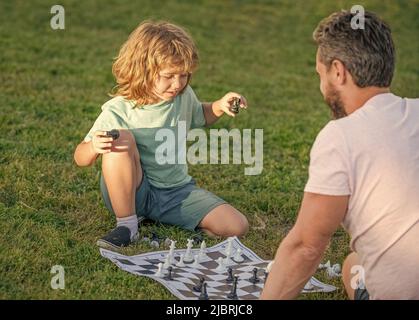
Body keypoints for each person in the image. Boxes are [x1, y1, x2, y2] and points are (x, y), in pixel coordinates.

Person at [261, 10, 419, 300]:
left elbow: (306, 247)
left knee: (353, 265)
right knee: (353, 261)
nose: (322, 87)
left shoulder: (341, 136)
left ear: (338, 71)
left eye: (320, 76)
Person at [74, 21, 249, 250]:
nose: (177, 84)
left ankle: (159, 217)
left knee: (237, 226)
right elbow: (80, 157)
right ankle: (127, 225)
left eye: (184, 75)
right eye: (169, 76)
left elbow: (200, 115)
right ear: (143, 70)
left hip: (176, 191)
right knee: (121, 139)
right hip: (132, 192)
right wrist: (94, 146)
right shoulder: (120, 109)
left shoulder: (183, 96)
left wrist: (218, 105)